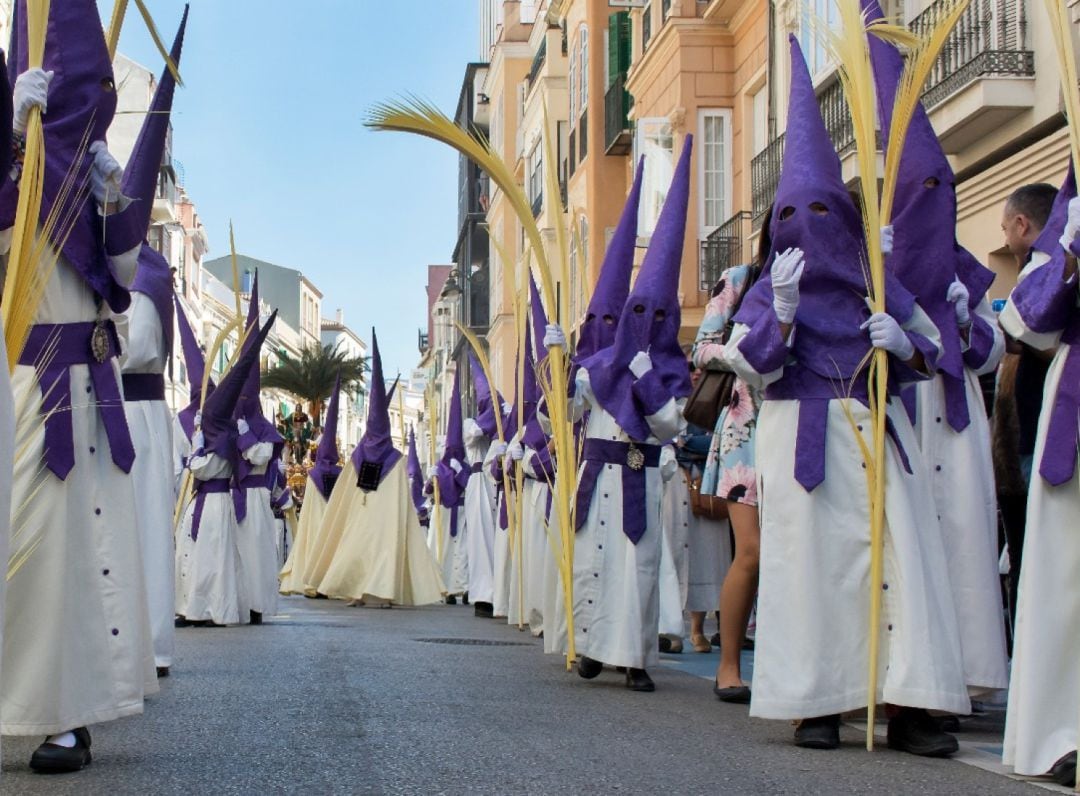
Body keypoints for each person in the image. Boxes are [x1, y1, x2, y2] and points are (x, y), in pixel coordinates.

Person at [723, 36, 968, 753]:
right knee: (811, 571)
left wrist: (904, 343)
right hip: (801, 436)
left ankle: (909, 704)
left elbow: (936, 349)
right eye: (792, 217)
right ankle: (818, 703)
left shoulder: (879, 280)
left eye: (824, 213)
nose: (809, 230)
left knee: (901, 563)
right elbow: (752, 370)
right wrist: (787, 312)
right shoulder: (768, 290)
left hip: (876, 430)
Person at [1, 1, 160, 772]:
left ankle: (74, 711)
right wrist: (8, 145)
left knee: (83, 553)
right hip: (31, 390)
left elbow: (123, 277)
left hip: (92, 390)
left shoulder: (90, 171)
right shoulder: (16, 166)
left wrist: (112, 199)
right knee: (30, 551)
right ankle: (31, 703)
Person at [867, 0, 1008, 699]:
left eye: (939, 189)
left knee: (961, 539)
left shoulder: (965, 272)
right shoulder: (872, 260)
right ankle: (902, 677)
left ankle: (964, 677)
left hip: (955, 426)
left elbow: (992, 351)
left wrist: (966, 321)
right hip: (899, 420)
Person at [549, 137, 693, 693]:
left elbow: (670, 426)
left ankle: (634, 657)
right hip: (596, 475)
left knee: (639, 569)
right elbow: (562, 414)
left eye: (657, 312)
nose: (645, 318)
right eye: (639, 310)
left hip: (642, 477)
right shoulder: (599, 364)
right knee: (596, 563)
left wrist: (646, 377)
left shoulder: (667, 368)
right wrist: (559, 365)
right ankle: (590, 647)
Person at [1000, 166, 1080, 786]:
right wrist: (1070, 260)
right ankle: (1065, 733)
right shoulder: (1063, 230)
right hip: (1073, 412)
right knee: (1064, 578)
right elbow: (1026, 324)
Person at [115, 9, 188, 678]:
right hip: (120, 410)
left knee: (137, 532)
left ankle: (150, 645)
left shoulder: (149, 274)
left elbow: (137, 347)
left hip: (134, 411)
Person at [693, 210, 770, 701]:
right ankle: (728, 665)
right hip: (746, 428)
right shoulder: (740, 279)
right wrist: (737, 351)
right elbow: (702, 348)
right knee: (753, 550)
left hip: (806, 418)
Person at [313, 329, 445, 606]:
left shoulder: (379, 456)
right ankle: (363, 588)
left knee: (374, 546)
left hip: (373, 513)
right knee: (367, 546)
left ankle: (379, 590)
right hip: (370, 513)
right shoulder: (386, 457)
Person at [175, 314, 277, 628]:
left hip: (249, 498)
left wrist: (241, 434)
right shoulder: (224, 432)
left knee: (231, 557)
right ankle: (195, 606)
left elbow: (258, 455)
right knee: (201, 555)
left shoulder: (245, 432)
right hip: (225, 499)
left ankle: (245, 605)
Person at [994, 181, 1058, 626]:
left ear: (1022, 224)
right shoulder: (1034, 271)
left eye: (1005, 228)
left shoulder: (1047, 273)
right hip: (1024, 440)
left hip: (1045, 434)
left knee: (1038, 553)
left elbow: (1040, 338)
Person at [231, 273, 285, 624]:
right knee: (238, 555)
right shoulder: (233, 420)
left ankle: (257, 606)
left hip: (256, 499)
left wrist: (244, 436)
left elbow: (262, 457)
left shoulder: (265, 429)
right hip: (236, 498)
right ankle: (238, 602)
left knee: (257, 554)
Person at [280, 372, 343, 597]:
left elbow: (307, 505)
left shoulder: (314, 473)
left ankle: (311, 579)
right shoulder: (341, 473)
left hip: (316, 523)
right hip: (333, 522)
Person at [462, 353, 500, 618]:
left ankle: (499, 593)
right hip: (478, 485)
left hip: (497, 482)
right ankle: (482, 595)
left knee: (498, 540)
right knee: (480, 539)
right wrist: (497, 414)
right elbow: (477, 432)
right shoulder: (470, 424)